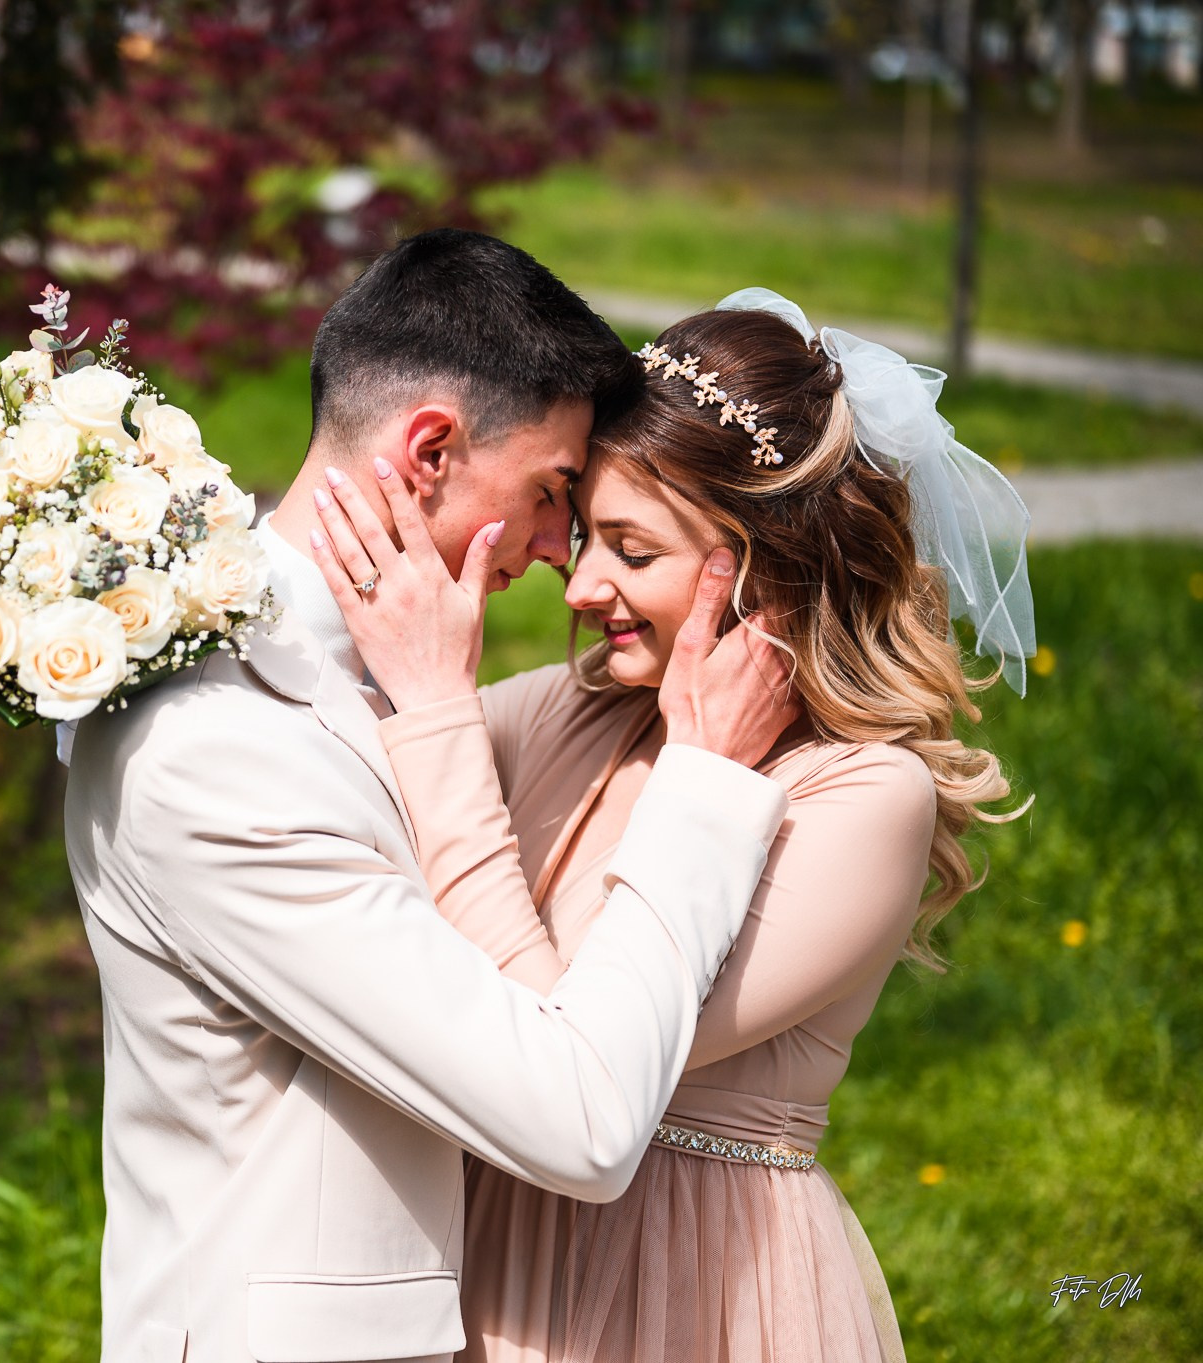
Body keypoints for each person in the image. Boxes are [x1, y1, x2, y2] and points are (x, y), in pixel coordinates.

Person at [60, 231, 800, 1363]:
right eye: (553, 492)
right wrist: (700, 782)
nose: (560, 549)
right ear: (431, 449)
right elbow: (582, 1121)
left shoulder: (368, 669)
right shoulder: (214, 751)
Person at [309, 288, 1034, 1363]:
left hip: (687, 1286)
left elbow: (557, 1049)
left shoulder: (861, 798)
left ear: (763, 566)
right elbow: (344, 767)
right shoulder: (581, 707)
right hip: (481, 1257)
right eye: (583, 532)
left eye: (629, 549)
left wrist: (438, 712)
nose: (578, 585)